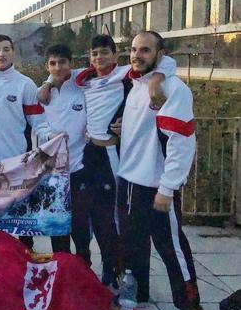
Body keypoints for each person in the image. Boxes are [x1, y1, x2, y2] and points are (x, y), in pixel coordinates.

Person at [38, 35, 175, 289]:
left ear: (115, 55)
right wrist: (46, 83)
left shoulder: (126, 74)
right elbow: (57, 69)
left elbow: (165, 62)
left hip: (115, 157)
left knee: (118, 220)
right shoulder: (82, 79)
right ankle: (84, 271)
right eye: (94, 54)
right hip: (90, 157)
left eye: (104, 53)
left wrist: (157, 80)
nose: (99, 58)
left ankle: (124, 275)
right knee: (86, 219)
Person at [117, 31, 204, 310]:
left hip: (156, 187)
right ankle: (133, 299)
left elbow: (182, 142)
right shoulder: (137, 84)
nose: (137, 55)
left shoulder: (172, 88)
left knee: (171, 249)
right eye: (133, 49)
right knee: (130, 246)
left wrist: (168, 187)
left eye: (145, 50)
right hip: (128, 181)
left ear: (160, 53)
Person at [0, 201, 140, 310]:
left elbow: (22, 258)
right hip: (0, 295)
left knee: (69, 265)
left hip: (23, 281)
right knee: (64, 305)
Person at [0, 34, 54, 249]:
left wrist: (52, 139)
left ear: (13, 53)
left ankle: (26, 254)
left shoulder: (25, 85)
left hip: (17, 163)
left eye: (6, 49)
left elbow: (39, 122)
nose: (1, 54)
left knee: (21, 215)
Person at [39, 44, 87, 255]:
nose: (58, 68)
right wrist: (49, 136)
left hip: (80, 167)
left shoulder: (84, 86)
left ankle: (84, 267)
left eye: (62, 62)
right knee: (57, 225)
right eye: (53, 63)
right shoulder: (41, 94)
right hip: (51, 170)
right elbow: (36, 123)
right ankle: (61, 267)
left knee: (80, 224)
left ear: (71, 64)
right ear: (47, 66)